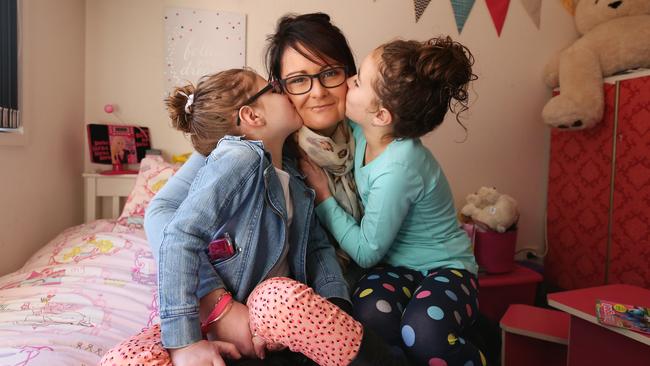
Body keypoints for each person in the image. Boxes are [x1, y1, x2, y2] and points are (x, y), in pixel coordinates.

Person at [100, 68, 351, 366]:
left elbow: (315, 247)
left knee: (280, 299)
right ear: (251, 116)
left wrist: (335, 305)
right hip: (211, 318)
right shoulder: (238, 156)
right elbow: (178, 233)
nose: (285, 91)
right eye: (274, 86)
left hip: (269, 317)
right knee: (125, 358)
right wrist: (191, 335)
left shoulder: (296, 180)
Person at [299, 37, 485, 366]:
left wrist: (324, 198)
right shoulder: (361, 134)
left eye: (357, 82)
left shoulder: (399, 166)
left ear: (382, 115)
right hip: (400, 269)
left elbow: (367, 252)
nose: (348, 83)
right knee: (370, 313)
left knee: (424, 332)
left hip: (446, 268)